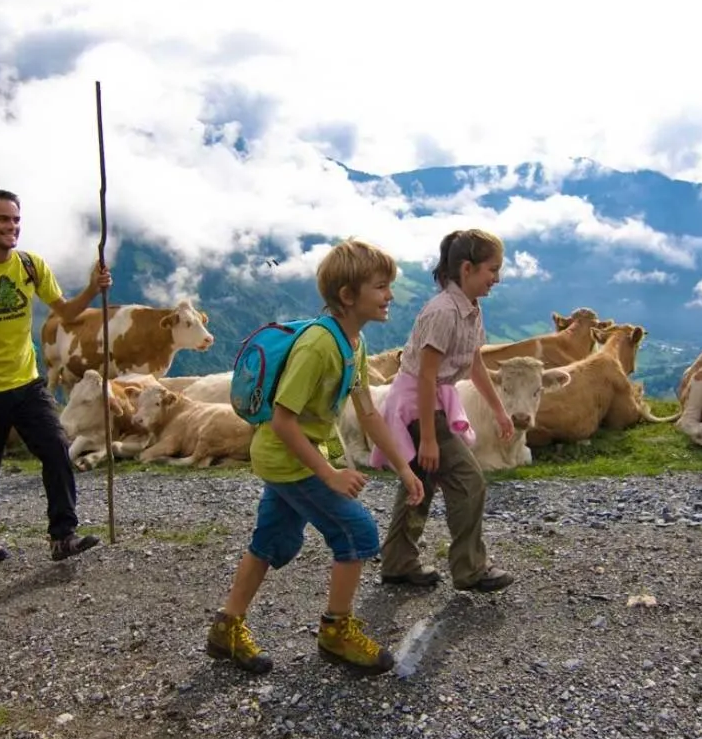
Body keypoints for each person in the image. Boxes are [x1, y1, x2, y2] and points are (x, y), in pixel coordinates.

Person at [207, 239, 425, 676]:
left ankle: (226, 628)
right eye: (381, 287)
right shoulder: (318, 347)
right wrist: (328, 474)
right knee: (357, 531)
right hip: (289, 458)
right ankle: (336, 631)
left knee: (270, 540)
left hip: (290, 457)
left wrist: (403, 464)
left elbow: (367, 411)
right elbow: (284, 420)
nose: (390, 296)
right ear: (348, 296)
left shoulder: (353, 343)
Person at [0, 188, 109, 564]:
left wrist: (93, 287)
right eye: (2, 219)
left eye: (15, 219)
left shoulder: (30, 265)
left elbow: (67, 312)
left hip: (27, 384)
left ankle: (64, 535)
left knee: (57, 449)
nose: (12, 227)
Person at [372, 228, 516, 593]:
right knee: (468, 480)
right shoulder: (443, 312)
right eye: (491, 270)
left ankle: (398, 563)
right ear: (467, 268)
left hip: (431, 400)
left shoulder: (470, 309)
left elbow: (475, 364)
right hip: (417, 404)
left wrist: (500, 411)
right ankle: (470, 568)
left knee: (418, 483)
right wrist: (430, 439)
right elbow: (425, 375)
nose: (496, 279)